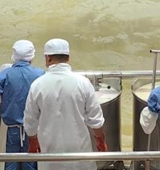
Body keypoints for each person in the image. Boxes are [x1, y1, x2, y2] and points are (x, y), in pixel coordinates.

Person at [24, 38, 107, 170]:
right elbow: (96, 120)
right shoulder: (83, 83)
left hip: (50, 156)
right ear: (68, 58)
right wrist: (101, 142)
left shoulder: (37, 85)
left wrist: (33, 142)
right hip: (80, 155)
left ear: (47, 58)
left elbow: (30, 120)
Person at [0, 40, 46, 170]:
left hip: (10, 129)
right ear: (32, 56)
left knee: (9, 162)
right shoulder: (40, 75)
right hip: (33, 130)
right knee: (31, 162)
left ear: (14, 56)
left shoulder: (5, 75)